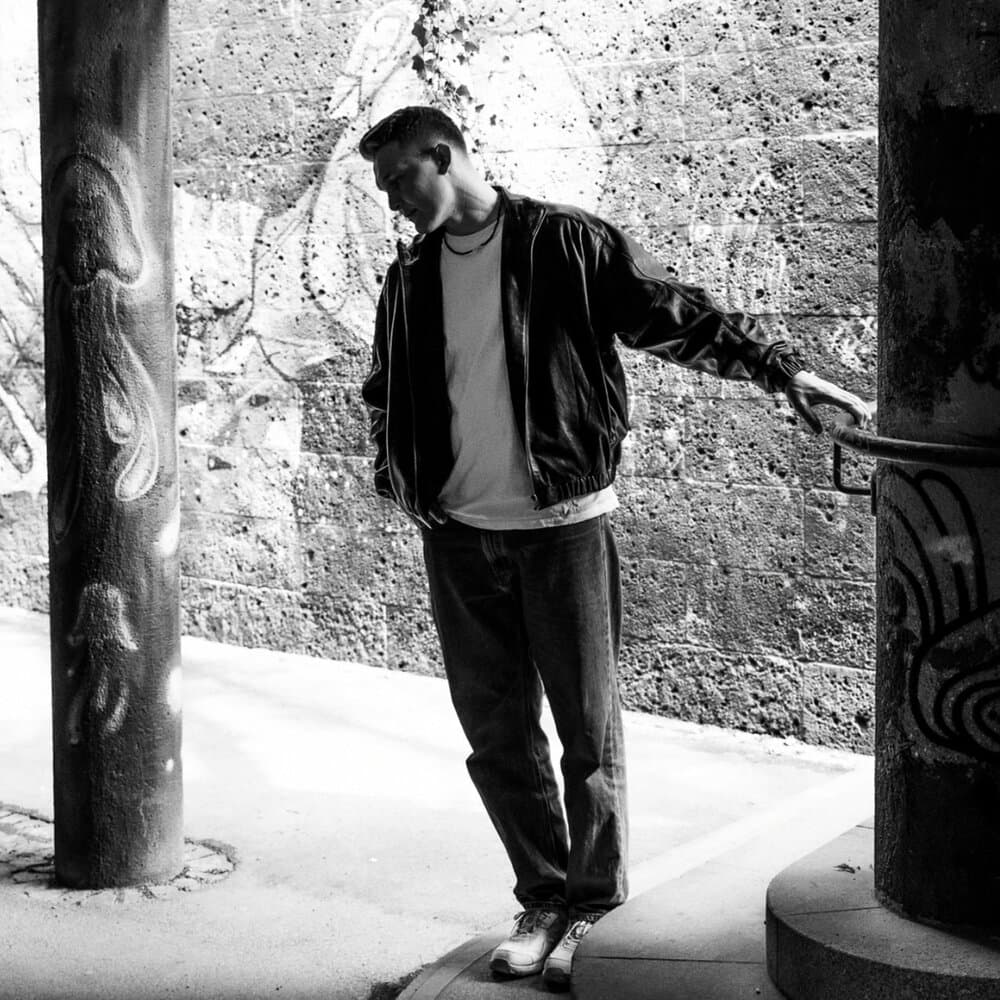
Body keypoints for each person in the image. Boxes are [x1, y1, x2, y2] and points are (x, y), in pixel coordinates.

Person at [358, 105, 870, 991]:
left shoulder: (565, 243)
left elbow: (677, 314)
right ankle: (542, 899)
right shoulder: (408, 277)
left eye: (400, 178)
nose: (393, 200)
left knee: (587, 733)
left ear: (443, 155)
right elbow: (384, 389)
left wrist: (783, 370)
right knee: (496, 737)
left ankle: (593, 907)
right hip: (459, 537)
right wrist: (397, 477)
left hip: (563, 528)